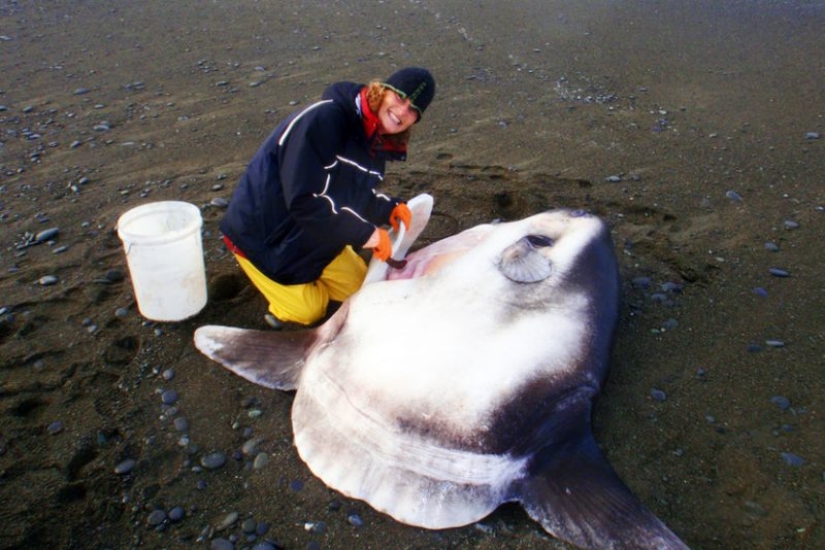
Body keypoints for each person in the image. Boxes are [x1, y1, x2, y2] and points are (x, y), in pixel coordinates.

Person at [220, 67, 436, 328]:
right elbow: (303, 201)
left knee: (360, 289)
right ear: (383, 91)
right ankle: (277, 295)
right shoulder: (325, 119)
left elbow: (349, 192)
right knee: (310, 310)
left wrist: (385, 209)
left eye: (413, 110)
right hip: (263, 238)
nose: (402, 112)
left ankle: (304, 279)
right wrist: (365, 234)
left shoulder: (377, 142)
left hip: (313, 235)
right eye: (400, 98)